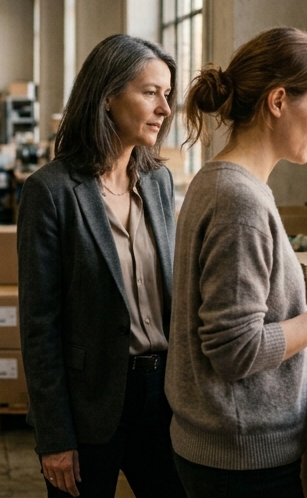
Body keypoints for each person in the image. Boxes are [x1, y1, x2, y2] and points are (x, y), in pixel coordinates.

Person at [168, 27, 307, 497]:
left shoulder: (217, 182)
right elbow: (233, 352)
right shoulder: (240, 202)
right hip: (239, 458)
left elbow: (233, 329)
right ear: (278, 101)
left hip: (222, 445)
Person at [19, 34, 186, 497]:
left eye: (167, 94)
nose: (164, 108)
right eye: (150, 92)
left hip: (163, 398)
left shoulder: (157, 181)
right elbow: (39, 325)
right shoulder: (51, 192)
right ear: (108, 97)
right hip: (90, 403)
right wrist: (54, 438)